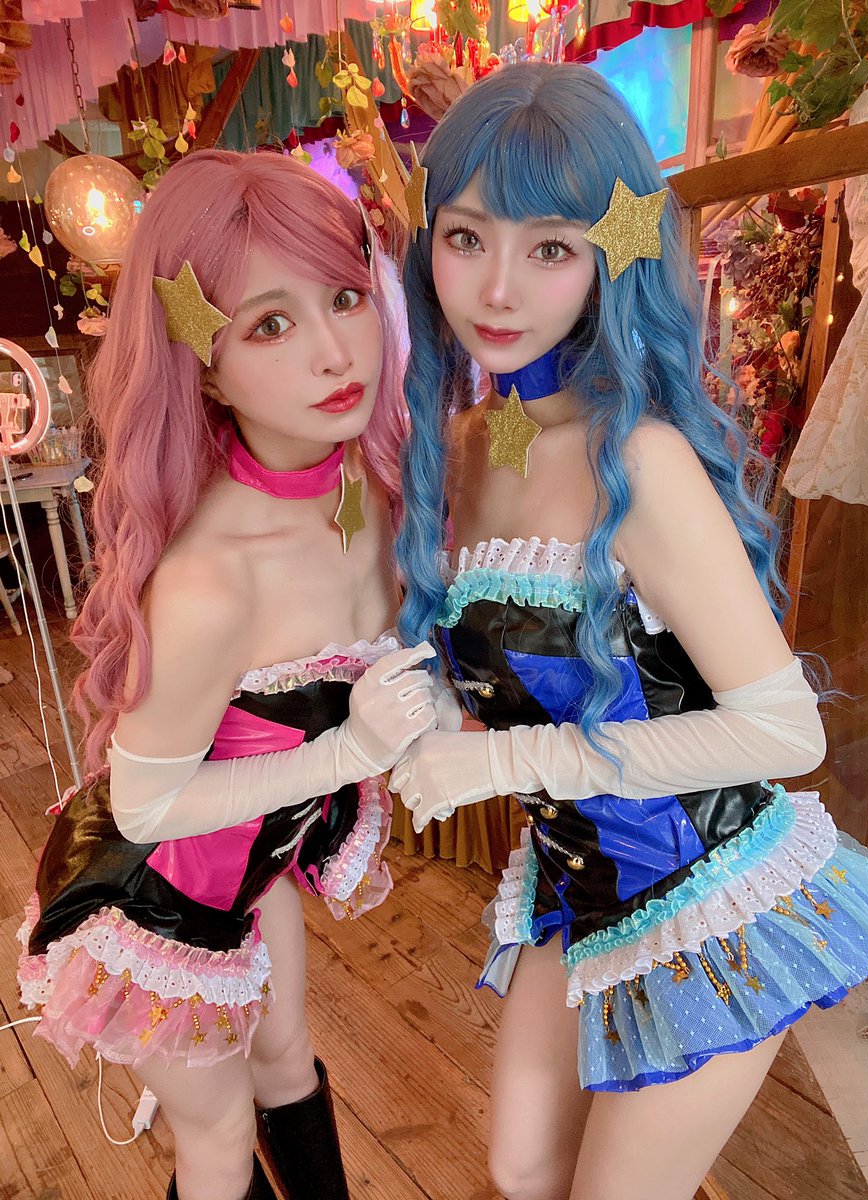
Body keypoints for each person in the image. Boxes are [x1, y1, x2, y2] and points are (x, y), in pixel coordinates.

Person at [390, 63, 868, 1200]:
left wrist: (505, 761)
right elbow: (496, 656)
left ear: (608, 258)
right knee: (523, 1167)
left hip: (713, 893)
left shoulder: (642, 459)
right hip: (574, 886)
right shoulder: (477, 442)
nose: (499, 289)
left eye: (551, 248)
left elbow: (786, 733)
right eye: (467, 238)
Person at [17, 149, 437, 1200]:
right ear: (201, 365)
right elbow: (146, 806)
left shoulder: (374, 484)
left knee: (289, 1062)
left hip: (254, 864)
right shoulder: (212, 579)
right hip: (151, 901)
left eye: (344, 297)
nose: (335, 352)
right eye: (269, 324)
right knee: (217, 1137)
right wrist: (351, 750)